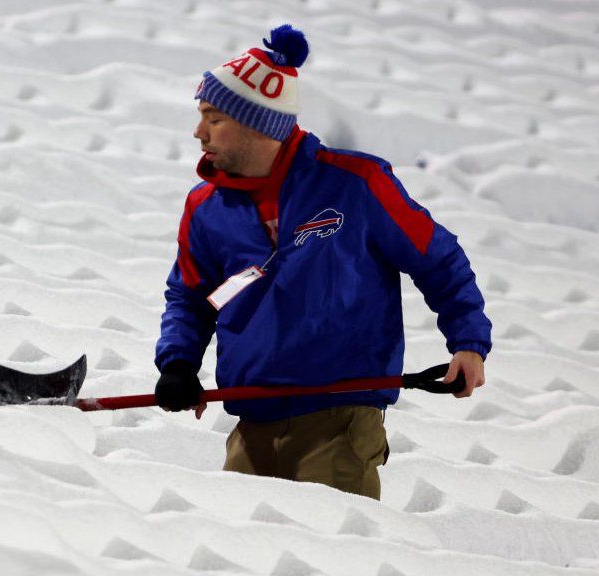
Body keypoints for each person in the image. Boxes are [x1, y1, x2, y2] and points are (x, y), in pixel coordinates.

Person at [153, 24, 492, 500]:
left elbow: (438, 258)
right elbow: (191, 297)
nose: (198, 131)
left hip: (340, 419)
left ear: (257, 122)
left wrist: (469, 341)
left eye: (213, 117)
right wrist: (178, 363)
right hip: (252, 421)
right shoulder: (205, 207)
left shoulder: (356, 184)